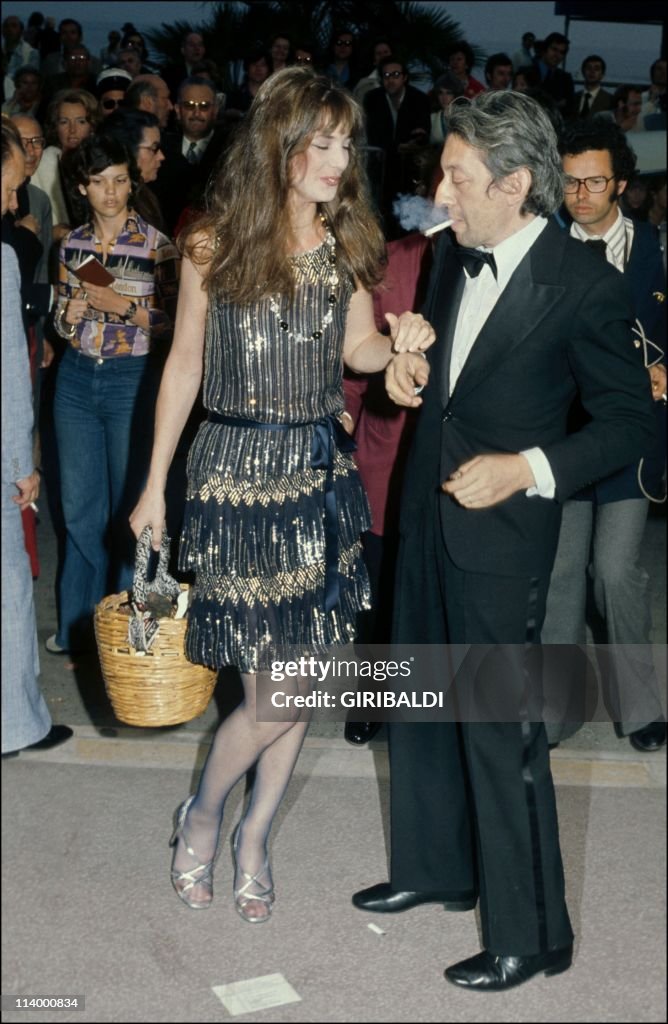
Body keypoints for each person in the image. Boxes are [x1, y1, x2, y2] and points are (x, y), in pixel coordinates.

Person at [352, 90, 654, 990]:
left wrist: (526, 466)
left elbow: (628, 424)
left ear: (518, 183)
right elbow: (443, 372)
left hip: (507, 537)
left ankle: (533, 934)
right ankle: (435, 871)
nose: (440, 192)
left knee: (499, 729)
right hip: (424, 517)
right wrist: (406, 368)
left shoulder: (587, 282)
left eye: (459, 176)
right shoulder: (452, 255)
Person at [129, 66, 434, 921]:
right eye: (322, 143)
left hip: (314, 478)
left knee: (300, 676)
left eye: (347, 144)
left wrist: (401, 353)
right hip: (232, 473)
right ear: (280, 144)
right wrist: (154, 484)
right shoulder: (210, 243)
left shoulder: (347, 244)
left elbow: (361, 352)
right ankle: (205, 815)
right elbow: (183, 365)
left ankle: (251, 832)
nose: (340, 160)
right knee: (275, 686)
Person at [541, 118, 666, 753]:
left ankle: (638, 705)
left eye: (594, 181)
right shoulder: (541, 248)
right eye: (569, 182)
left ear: (620, 182)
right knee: (561, 574)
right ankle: (553, 712)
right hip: (563, 439)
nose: (581, 194)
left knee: (615, 574)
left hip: (628, 440)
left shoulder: (656, 248)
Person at [46, 135, 179, 655]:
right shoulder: (72, 245)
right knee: (80, 509)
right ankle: (79, 626)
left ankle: (135, 631)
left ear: (133, 182)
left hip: (133, 378)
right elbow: (61, 315)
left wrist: (123, 308)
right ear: (83, 187)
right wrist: (68, 316)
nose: (110, 192)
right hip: (78, 377)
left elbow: (174, 324)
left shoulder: (156, 245)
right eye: (99, 182)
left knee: (134, 507)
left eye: (120, 180)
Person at [1, 117, 72, 757]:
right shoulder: (1, 255)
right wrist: (24, 462)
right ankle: (18, 723)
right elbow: (7, 375)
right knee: (11, 588)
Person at [30, 88, 99, 239]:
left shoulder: (102, 164)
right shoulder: (43, 166)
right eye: (64, 122)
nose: (72, 130)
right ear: (56, 127)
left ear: (92, 126)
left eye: (81, 121)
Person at [571, 54, 613, 119]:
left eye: (596, 69)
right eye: (589, 68)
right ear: (583, 72)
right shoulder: (573, 98)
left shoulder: (610, 100)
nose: (592, 71)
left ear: (602, 75)